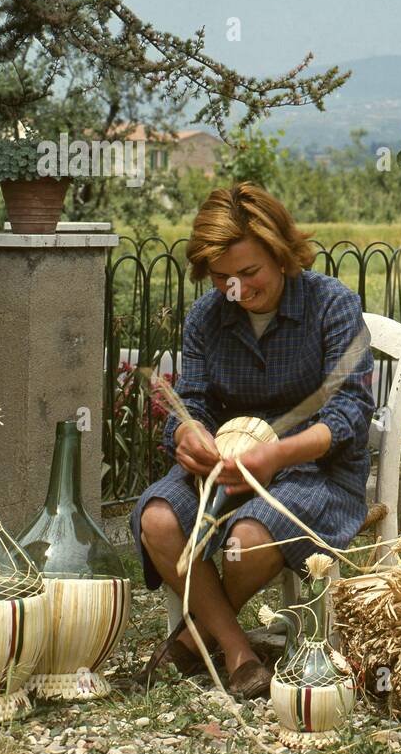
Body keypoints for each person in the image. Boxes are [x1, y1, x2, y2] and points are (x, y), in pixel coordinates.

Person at [131, 183, 374, 700]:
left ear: (282, 255)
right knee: (157, 518)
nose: (236, 288)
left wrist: (276, 455)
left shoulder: (331, 304)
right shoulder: (206, 318)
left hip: (316, 469)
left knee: (248, 540)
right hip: (225, 464)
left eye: (249, 272)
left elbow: (350, 409)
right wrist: (186, 433)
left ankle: (195, 641)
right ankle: (238, 649)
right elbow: (190, 401)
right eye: (222, 277)